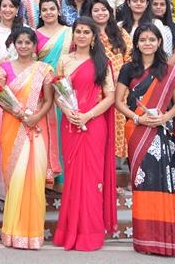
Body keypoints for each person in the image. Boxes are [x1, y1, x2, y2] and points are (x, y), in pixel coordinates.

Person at [115, 24, 175, 256]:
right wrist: (137, 118)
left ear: (159, 42)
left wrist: (164, 117)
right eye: (143, 39)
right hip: (136, 131)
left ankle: (164, 240)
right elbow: (118, 101)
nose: (147, 43)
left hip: (160, 133)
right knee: (142, 183)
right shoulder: (128, 69)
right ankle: (144, 240)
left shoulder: (168, 70)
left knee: (161, 182)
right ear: (136, 43)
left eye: (151, 39)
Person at [52, 17, 117, 251]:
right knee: (73, 177)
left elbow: (110, 96)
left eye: (86, 32)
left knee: (91, 179)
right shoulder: (64, 61)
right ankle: (70, 231)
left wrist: (87, 115)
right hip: (70, 123)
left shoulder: (102, 63)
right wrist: (68, 112)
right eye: (78, 31)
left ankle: (90, 233)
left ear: (93, 37)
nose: (81, 35)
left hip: (94, 124)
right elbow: (58, 93)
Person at [0, 27, 55, 249]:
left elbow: (48, 100)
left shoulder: (43, 69)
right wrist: (20, 114)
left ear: (34, 45)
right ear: (14, 44)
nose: (23, 46)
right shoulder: (4, 68)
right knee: (16, 177)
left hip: (36, 127)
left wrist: (35, 117)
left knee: (33, 178)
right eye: (19, 42)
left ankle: (32, 234)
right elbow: (1, 98)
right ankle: (12, 233)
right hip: (12, 126)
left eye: (27, 42)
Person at [90, 0, 133, 161]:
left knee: (117, 122)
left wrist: (121, 80)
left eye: (104, 9)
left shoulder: (121, 33)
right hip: (96, 86)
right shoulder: (88, 34)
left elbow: (130, 59)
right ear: (90, 14)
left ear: (110, 12)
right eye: (96, 10)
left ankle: (116, 163)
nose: (100, 13)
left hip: (119, 87)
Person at [35, 0, 72, 183]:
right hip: (44, 89)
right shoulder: (35, 34)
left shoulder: (70, 32)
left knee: (65, 130)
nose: (48, 12)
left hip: (67, 88)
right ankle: (49, 176)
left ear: (59, 11)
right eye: (44, 10)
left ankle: (66, 178)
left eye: (52, 9)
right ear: (40, 13)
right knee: (47, 132)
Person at [151, 0, 175, 64]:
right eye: (155, 4)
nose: (158, 7)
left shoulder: (174, 28)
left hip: (170, 67)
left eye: (162, 4)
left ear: (167, 7)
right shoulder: (145, 25)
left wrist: (165, 68)